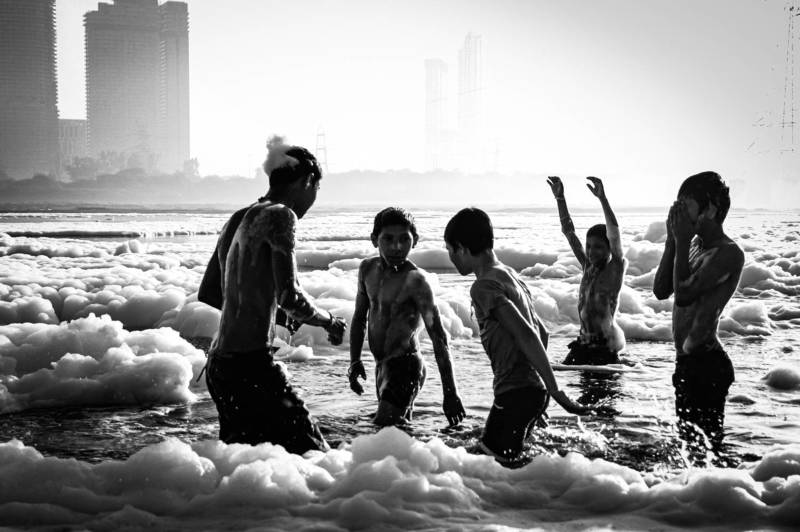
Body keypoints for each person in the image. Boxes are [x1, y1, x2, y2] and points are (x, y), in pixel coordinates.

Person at [198, 140, 347, 454]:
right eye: (317, 189)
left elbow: (211, 293)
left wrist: (269, 313)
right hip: (251, 366)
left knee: (244, 462)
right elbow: (291, 297)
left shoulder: (238, 218)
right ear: (308, 181)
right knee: (314, 455)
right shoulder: (282, 215)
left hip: (219, 367)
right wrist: (329, 322)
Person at [444, 207, 591, 465]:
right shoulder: (509, 275)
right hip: (531, 391)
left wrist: (555, 390)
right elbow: (542, 331)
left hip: (516, 392)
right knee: (511, 466)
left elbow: (526, 333)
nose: (450, 257)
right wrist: (540, 390)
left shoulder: (483, 286)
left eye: (450, 250)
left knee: (490, 470)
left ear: (462, 248)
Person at [348, 207, 466, 427]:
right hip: (382, 366)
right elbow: (359, 318)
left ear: (415, 240)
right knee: (397, 432)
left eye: (404, 239)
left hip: (406, 366)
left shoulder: (416, 281)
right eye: (388, 239)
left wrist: (450, 393)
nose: (397, 247)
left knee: (383, 428)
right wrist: (355, 361)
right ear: (374, 240)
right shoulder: (367, 270)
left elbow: (439, 337)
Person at [653, 171, 743, 452]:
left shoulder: (728, 253)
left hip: (708, 365)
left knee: (706, 450)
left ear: (711, 208)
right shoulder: (693, 245)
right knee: (689, 447)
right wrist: (672, 241)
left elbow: (684, 295)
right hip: (687, 364)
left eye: (685, 205)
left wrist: (681, 240)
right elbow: (661, 290)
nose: (678, 211)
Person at [546, 176, 627, 365]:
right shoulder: (587, 267)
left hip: (604, 347)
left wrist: (603, 199)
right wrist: (560, 199)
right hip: (583, 344)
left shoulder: (614, 269)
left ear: (609, 249)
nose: (591, 251)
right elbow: (569, 232)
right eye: (589, 246)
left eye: (598, 247)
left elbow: (614, 235)